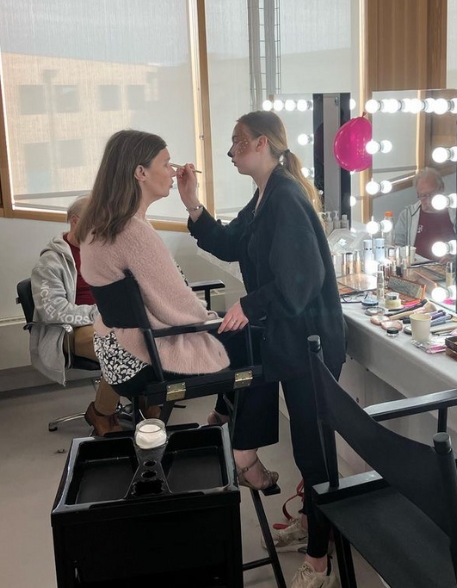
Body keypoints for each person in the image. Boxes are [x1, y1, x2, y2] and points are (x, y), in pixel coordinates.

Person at [177, 110, 346, 588]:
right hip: (288, 338)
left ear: (263, 144)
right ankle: (288, 497)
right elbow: (232, 243)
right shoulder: (265, 196)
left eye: (237, 142)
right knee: (260, 392)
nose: (230, 151)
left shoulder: (286, 198)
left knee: (314, 452)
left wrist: (251, 305)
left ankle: (320, 560)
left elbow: (302, 277)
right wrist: (193, 205)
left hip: (311, 341)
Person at [76, 129, 274, 489]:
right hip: (142, 357)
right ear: (140, 173)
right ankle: (246, 457)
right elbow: (180, 307)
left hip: (114, 352)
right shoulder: (134, 233)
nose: (174, 170)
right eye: (166, 164)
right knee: (264, 343)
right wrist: (215, 319)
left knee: (236, 333)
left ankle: (219, 417)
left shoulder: (98, 223)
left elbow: (163, 298)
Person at [30, 196, 123, 436]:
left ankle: (150, 412)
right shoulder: (50, 262)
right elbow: (52, 310)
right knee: (118, 347)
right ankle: (102, 414)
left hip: (113, 321)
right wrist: (97, 313)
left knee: (150, 340)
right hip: (71, 329)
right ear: (75, 221)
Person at [392, 166, 456, 261]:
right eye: (423, 196)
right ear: (418, 194)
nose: (428, 200)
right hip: (417, 270)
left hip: (448, 269)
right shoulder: (407, 215)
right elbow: (397, 246)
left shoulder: (455, 212)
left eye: (432, 194)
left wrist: (454, 259)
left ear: (441, 189)